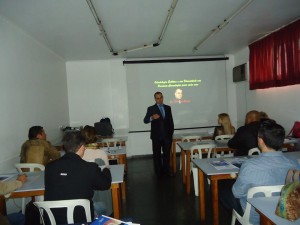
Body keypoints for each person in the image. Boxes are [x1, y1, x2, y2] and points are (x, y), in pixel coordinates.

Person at [232, 120, 300, 225]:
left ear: (261, 141)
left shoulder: (250, 165)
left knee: (225, 194)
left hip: (254, 217)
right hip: (286, 213)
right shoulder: (294, 163)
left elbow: (237, 193)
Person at [44, 131, 112, 224]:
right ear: (82, 147)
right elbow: (106, 185)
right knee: (102, 207)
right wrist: (106, 170)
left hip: (52, 219)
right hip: (82, 219)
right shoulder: (90, 168)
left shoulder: (50, 167)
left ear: (65, 147)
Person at [144, 92, 174, 177]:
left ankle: (167, 170)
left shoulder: (168, 108)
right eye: (157, 98)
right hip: (156, 136)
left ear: (163, 97)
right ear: (155, 99)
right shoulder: (151, 108)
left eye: (161, 97)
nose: (160, 99)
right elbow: (145, 120)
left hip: (167, 137)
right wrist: (152, 117)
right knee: (157, 155)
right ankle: (158, 172)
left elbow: (171, 122)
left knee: (167, 154)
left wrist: (170, 134)